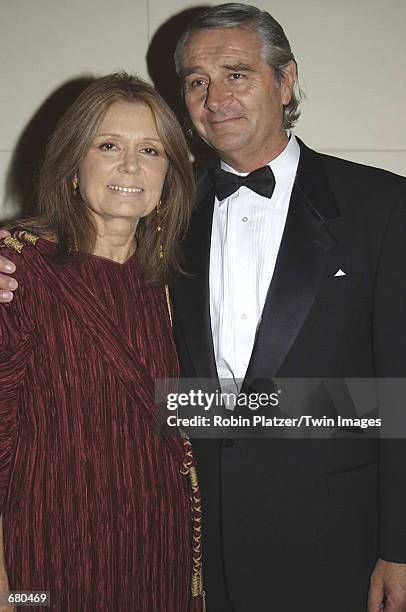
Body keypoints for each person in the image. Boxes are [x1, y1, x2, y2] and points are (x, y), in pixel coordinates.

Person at [2, 4, 406, 612]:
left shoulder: (382, 205)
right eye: (196, 80)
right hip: (192, 546)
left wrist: (398, 545)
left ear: (286, 79)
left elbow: (393, 392)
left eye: (237, 73)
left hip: (335, 540)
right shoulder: (167, 216)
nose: (216, 97)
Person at [0, 72, 206, 611]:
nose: (131, 166)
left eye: (151, 150)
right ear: (73, 164)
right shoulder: (20, 269)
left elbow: (205, 408)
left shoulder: (179, 283)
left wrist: (361, 410)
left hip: (159, 553)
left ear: (171, 176)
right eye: (109, 145)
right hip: (43, 561)